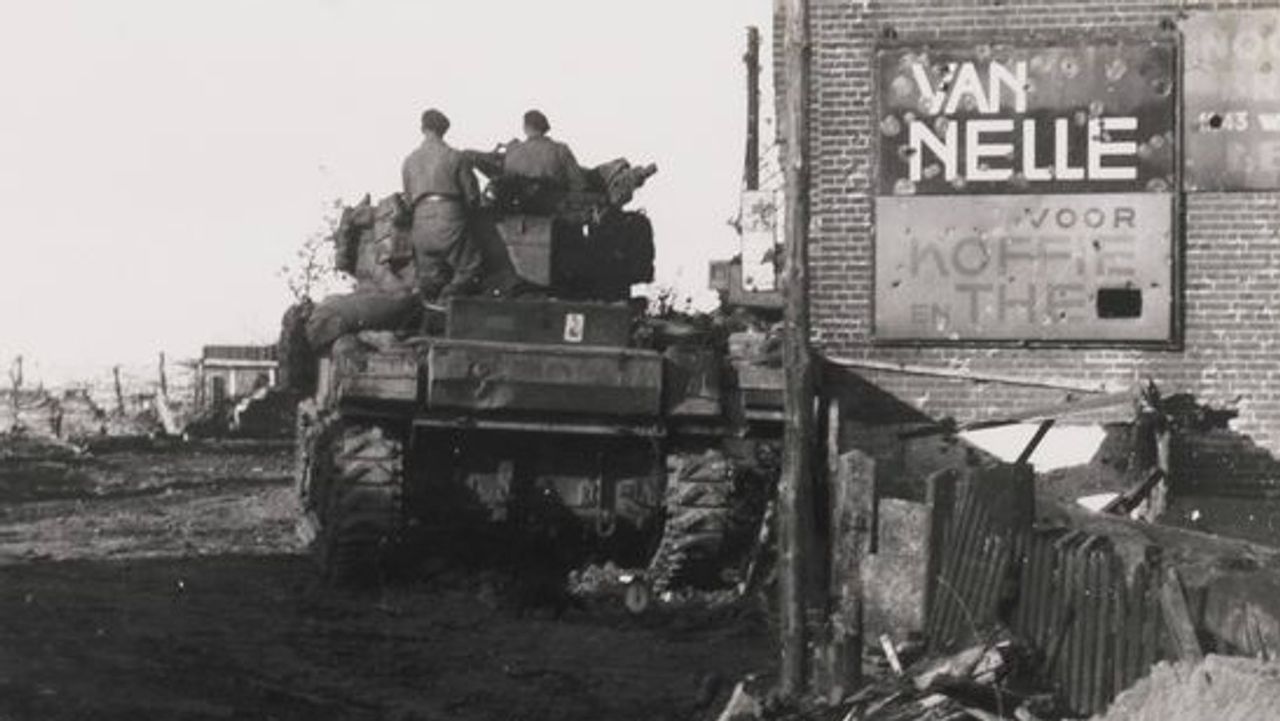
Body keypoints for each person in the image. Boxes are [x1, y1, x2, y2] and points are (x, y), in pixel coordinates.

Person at [401, 108, 483, 300]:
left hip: (421, 223)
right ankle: (449, 296)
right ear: (444, 130)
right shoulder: (455, 156)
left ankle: (430, 307)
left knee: (430, 279)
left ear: (423, 129)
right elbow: (472, 197)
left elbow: (408, 200)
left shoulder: (409, 161)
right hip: (450, 217)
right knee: (471, 267)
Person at [503, 110, 587, 194]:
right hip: (553, 199)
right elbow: (578, 183)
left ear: (525, 128)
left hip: (517, 200)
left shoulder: (512, 149)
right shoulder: (560, 150)